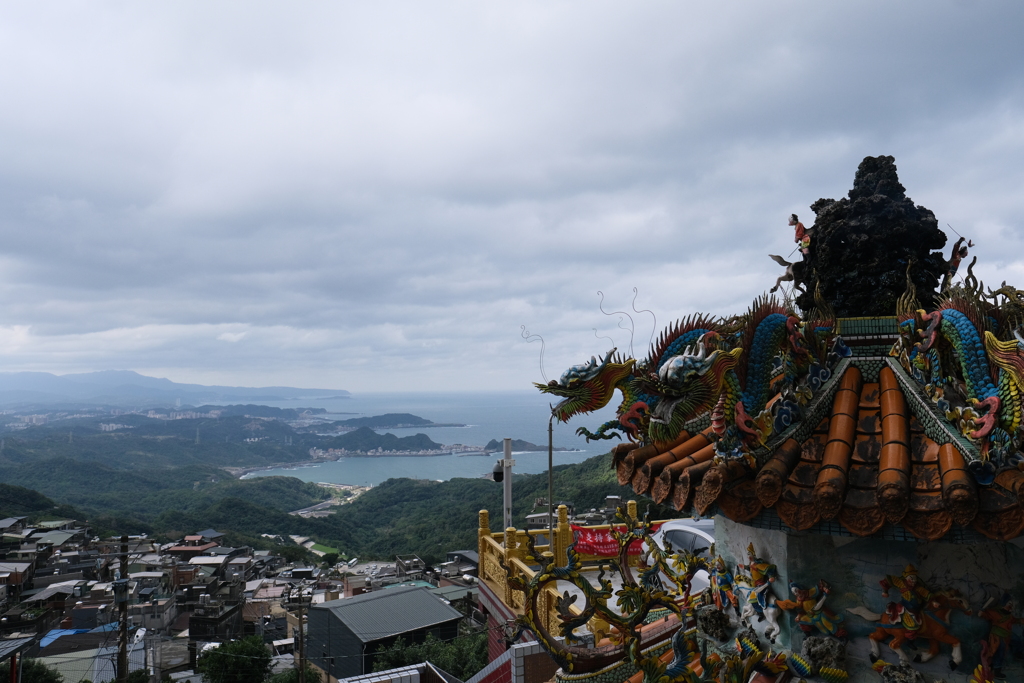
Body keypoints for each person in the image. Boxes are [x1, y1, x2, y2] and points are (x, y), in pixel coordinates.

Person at [777, 580, 847, 638]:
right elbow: (801, 610)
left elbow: (819, 587)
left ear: (800, 589)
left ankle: (840, 635)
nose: (796, 593)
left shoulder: (809, 593)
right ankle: (808, 635)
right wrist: (798, 617)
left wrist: (825, 590)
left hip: (819, 612)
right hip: (810, 615)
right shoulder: (798, 600)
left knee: (827, 623)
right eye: (793, 592)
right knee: (801, 620)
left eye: (796, 590)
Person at [879, 564, 932, 633]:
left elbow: (927, 594)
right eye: (911, 578)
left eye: (915, 578)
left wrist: (933, 601)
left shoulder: (918, 587)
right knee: (911, 624)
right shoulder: (901, 583)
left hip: (917, 609)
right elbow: (887, 581)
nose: (914, 580)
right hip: (905, 607)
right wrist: (885, 591)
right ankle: (908, 633)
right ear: (906, 578)